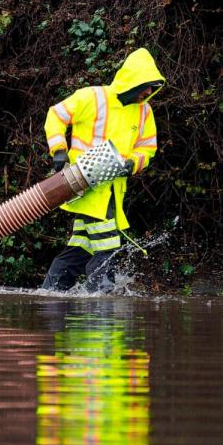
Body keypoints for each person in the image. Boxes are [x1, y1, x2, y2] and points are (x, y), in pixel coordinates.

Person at [41, 48, 165, 292]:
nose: (149, 92)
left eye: (153, 87)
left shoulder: (144, 112)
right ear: (132, 81)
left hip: (111, 193)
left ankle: (50, 294)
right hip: (84, 187)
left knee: (80, 249)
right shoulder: (92, 97)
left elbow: (147, 148)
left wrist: (132, 164)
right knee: (107, 245)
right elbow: (55, 115)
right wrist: (58, 150)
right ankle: (102, 299)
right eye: (146, 86)